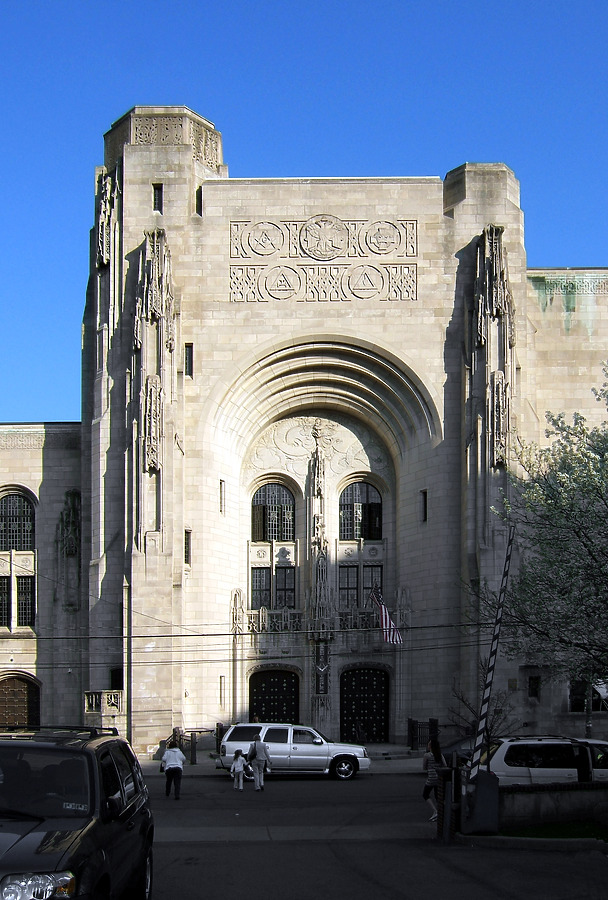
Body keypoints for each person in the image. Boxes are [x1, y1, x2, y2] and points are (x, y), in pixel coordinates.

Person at [422, 737, 446, 821]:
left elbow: (424, 767)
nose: (428, 745)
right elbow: (445, 765)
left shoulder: (427, 755)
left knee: (425, 794)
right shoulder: (440, 755)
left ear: (430, 746)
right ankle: (441, 811)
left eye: (429, 744)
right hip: (438, 777)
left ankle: (435, 811)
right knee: (437, 796)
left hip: (431, 777)